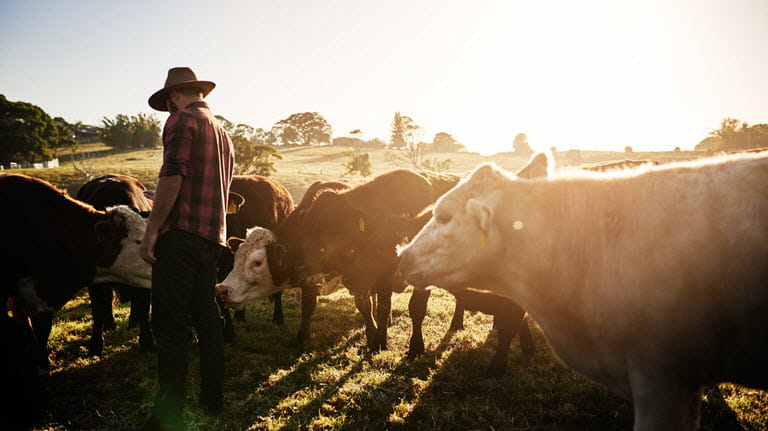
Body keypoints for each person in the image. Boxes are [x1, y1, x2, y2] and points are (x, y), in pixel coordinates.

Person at [141, 67, 234, 430]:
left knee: (169, 322)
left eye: (167, 102)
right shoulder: (223, 131)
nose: (167, 109)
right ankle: (213, 399)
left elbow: (173, 173)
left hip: (179, 235)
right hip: (212, 237)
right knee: (207, 316)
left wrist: (152, 230)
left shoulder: (181, 120)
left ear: (176, 95)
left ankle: (169, 413)